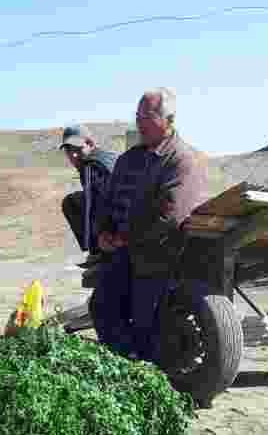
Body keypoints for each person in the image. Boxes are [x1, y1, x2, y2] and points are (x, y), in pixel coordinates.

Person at [90, 87, 209, 363]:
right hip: (122, 252)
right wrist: (103, 232)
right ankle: (127, 362)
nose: (140, 123)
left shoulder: (181, 160)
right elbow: (107, 201)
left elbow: (170, 216)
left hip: (158, 257)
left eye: (148, 116)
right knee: (102, 306)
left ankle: (144, 369)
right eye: (138, 116)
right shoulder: (128, 159)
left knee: (146, 323)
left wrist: (126, 239)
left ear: (169, 119)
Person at [58, 124, 118, 267]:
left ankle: (97, 252)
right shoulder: (110, 156)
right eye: (68, 150)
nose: (73, 154)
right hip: (127, 216)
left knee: (70, 203)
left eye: (77, 149)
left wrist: (102, 238)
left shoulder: (90, 166)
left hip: (118, 224)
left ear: (90, 143)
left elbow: (97, 203)